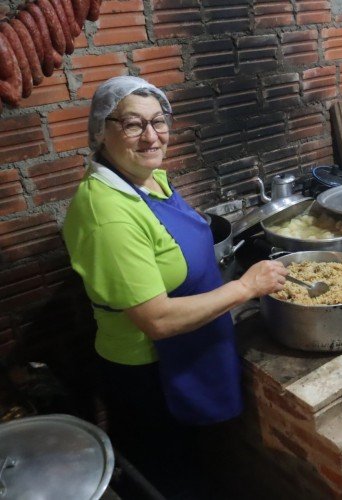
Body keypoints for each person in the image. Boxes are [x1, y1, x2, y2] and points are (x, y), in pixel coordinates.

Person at [62, 76, 288, 495]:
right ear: (101, 131)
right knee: (166, 476)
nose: (151, 136)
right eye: (132, 125)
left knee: (194, 459)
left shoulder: (147, 178)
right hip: (150, 372)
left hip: (190, 351)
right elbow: (158, 321)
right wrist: (244, 287)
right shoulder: (105, 212)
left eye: (158, 121)